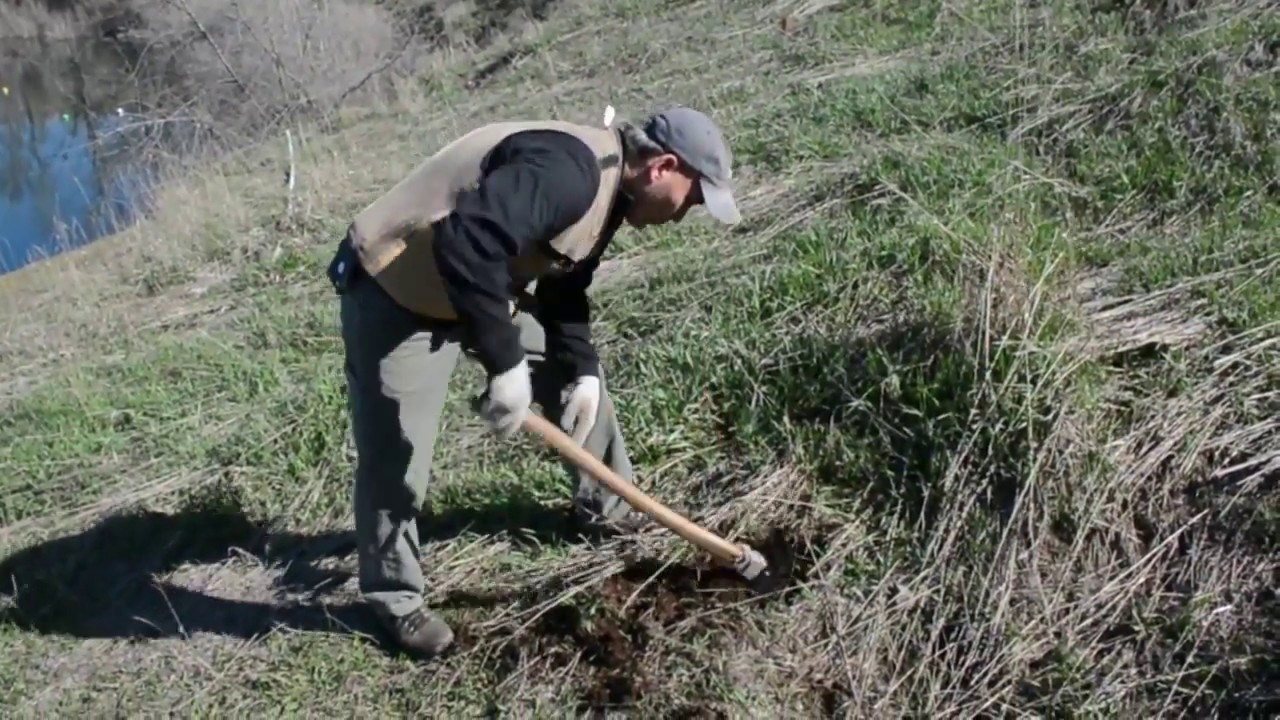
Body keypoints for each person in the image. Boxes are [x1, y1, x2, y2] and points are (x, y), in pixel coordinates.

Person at [324, 105, 741, 659]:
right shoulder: (570, 173)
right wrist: (505, 363)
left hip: (480, 288)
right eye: (693, 198)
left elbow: (563, 286)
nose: (687, 214)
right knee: (395, 455)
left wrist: (583, 368)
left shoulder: (615, 193)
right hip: (400, 292)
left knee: (580, 388)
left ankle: (609, 514)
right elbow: (464, 242)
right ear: (663, 166)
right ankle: (395, 600)